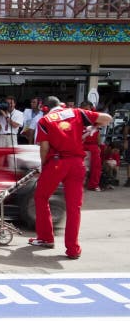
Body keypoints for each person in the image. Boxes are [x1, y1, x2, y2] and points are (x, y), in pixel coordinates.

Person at [31, 96, 112, 260]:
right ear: (61, 105)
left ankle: (46, 238)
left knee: (41, 197)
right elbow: (107, 118)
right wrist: (92, 129)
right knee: (74, 208)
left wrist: (42, 165)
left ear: (45, 108)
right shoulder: (77, 112)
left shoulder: (45, 121)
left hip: (56, 163)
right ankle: (73, 249)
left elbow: (44, 148)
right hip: (77, 164)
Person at [79, 101, 102, 192]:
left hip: (93, 145)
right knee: (77, 165)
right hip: (80, 144)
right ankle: (78, 184)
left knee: (96, 165)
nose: (86, 110)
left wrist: (99, 145)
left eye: (88, 108)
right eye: (84, 108)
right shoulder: (77, 116)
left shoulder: (95, 117)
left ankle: (93, 185)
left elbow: (98, 133)